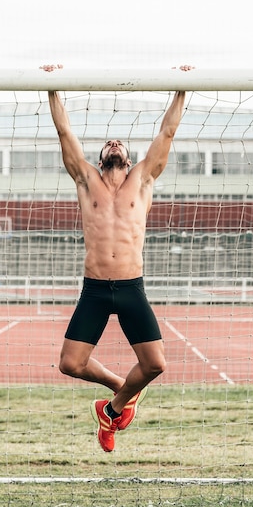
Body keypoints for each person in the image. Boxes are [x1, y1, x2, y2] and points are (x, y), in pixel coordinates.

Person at [40, 64, 193, 452]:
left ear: (128, 157)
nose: (113, 144)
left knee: (156, 365)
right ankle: (117, 391)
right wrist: (51, 88)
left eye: (119, 144)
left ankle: (112, 409)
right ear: (101, 156)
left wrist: (182, 89)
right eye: (108, 144)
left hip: (129, 287)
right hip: (94, 288)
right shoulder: (85, 179)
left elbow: (167, 132)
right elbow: (64, 132)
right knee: (70, 364)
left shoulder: (142, 181)